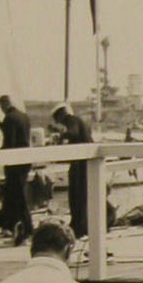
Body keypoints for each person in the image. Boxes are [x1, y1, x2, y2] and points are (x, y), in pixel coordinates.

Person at [50, 102, 92, 239]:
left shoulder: (71, 120)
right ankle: (82, 225)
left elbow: (73, 133)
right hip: (86, 162)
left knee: (76, 195)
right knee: (82, 195)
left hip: (80, 163)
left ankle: (79, 227)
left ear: (61, 115)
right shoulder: (80, 121)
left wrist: (61, 132)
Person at [0, 95, 33, 245]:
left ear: (3, 105)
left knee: (17, 197)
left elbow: (9, 141)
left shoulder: (9, 119)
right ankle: (15, 228)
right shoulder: (23, 116)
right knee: (17, 196)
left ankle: (26, 230)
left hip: (14, 163)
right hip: (25, 161)